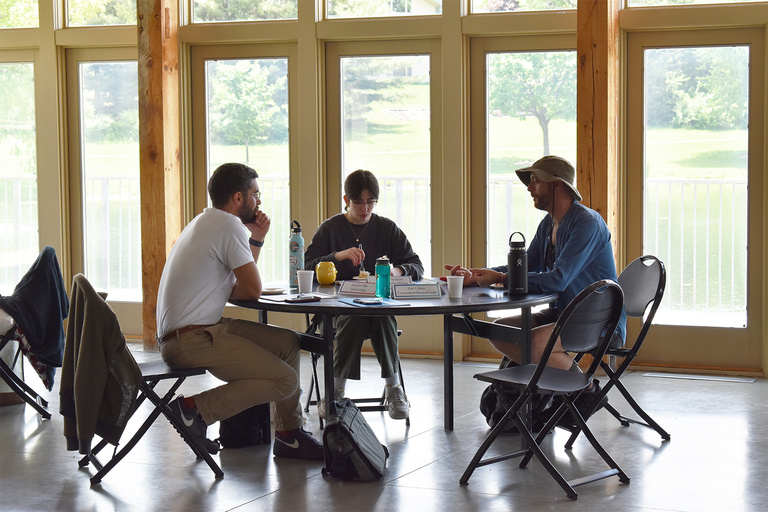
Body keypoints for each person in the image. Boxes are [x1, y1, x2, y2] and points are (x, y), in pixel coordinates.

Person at [156, 162, 323, 460]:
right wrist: (251, 238)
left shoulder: (207, 222)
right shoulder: (229, 226)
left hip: (200, 329)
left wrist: (256, 237)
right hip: (191, 340)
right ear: (237, 198)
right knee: (284, 380)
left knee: (287, 344)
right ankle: (194, 410)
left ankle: (289, 435)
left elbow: (238, 285)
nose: (259, 201)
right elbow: (251, 290)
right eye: (255, 194)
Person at [445, 155, 626, 410]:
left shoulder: (587, 223)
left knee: (535, 343)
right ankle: (547, 397)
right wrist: (478, 276)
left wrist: (500, 278)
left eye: (535, 181)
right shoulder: (549, 223)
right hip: (563, 313)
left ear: (556, 185)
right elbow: (526, 266)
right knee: (501, 332)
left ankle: (586, 392)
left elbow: (558, 280)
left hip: (598, 321)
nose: (529, 188)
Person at [304, 170, 424, 420]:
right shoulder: (330, 228)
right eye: (358, 202)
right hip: (339, 309)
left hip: (377, 305)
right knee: (354, 316)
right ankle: (335, 390)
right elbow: (306, 268)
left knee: (382, 315)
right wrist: (337, 256)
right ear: (346, 199)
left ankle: (393, 388)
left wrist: (396, 270)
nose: (365, 208)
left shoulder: (386, 228)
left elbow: (417, 266)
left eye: (371, 202)